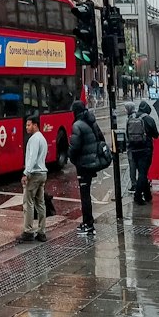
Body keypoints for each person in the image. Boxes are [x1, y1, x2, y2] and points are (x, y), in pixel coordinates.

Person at [68, 100, 101, 237]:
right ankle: (88, 223)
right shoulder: (91, 121)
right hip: (92, 162)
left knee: (85, 196)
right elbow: (100, 138)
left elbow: (74, 147)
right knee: (86, 193)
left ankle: (88, 223)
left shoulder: (78, 125)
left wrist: (72, 158)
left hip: (83, 164)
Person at [19, 113, 49, 244]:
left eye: (28, 125)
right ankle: (41, 231)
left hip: (35, 174)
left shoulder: (34, 139)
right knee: (40, 203)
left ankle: (28, 231)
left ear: (35, 125)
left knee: (28, 203)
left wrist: (26, 173)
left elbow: (32, 158)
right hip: (42, 173)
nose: (26, 127)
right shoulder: (42, 138)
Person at [128, 100, 159, 205]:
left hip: (133, 150)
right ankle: (137, 196)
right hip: (145, 150)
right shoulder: (149, 119)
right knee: (143, 173)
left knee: (142, 172)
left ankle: (147, 195)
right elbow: (156, 135)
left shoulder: (132, 118)